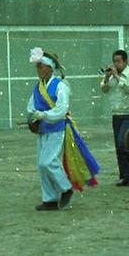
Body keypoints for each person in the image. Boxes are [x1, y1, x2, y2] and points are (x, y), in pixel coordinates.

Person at [26, 47, 99, 209]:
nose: (38, 70)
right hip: (43, 129)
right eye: (37, 66)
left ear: (49, 68)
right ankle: (50, 199)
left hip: (56, 128)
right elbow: (31, 106)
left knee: (47, 162)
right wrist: (32, 117)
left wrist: (43, 115)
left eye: (40, 66)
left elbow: (61, 109)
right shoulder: (38, 87)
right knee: (41, 164)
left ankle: (66, 188)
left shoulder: (60, 86)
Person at [100, 49, 129, 186]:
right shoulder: (111, 76)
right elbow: (104, 90)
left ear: (125, 61)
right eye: (114, 61)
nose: (116, 64)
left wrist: (117, 76)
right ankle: (124, 175)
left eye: (119, 61)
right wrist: (106, 77)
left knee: (124, 142)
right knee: (119, 146)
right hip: (116, 114)